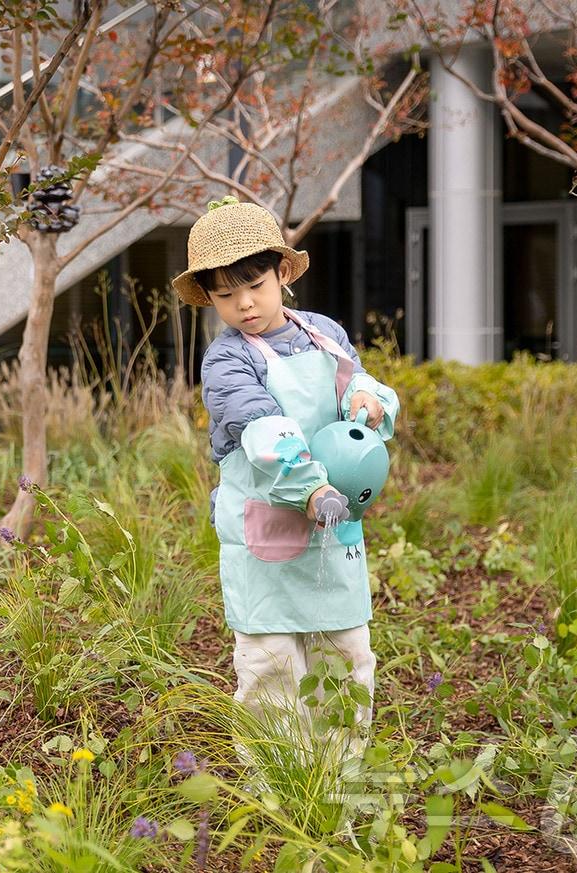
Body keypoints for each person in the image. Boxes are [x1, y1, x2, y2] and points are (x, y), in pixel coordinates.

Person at [176, 196, 399, 736]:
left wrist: (371, 403)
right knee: (270, 671)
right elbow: (264, 431)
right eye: (227, 295)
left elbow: (357, 381)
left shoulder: (323, 332)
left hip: (335, 529)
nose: (246, 305)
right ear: (208, 298)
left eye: (257, 286)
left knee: (345, 662)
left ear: (282, 274)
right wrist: (311, 489)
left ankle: (337, 792)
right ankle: (280, 796)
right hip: (267, 535)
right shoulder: (228, 359)